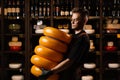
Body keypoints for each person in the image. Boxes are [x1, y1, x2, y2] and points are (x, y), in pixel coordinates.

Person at [38, 7, 90, 80]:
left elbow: (69, 61)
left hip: (71, 76)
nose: (72, 22)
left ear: (84, 21)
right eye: (72, 19)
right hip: (64, 74)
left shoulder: (82, 39)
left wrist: (51, 72)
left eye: (75, 20)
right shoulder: (74, 36)